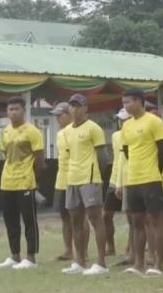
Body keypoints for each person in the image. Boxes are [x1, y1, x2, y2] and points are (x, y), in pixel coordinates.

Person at [119, 88, 163, 277]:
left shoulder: (154, 121)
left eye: (128, 102)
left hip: (151, 179)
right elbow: (127, 151)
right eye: (123, 103)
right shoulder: (126, 125)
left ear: (139, 101)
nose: (125, 106)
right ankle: (138, 263)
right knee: (136, 221)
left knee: (156, 220)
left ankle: (158, 264)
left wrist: (155, 170)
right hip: (133, 179)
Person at [59, 94, 110, 275]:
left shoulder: (93, 128)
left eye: (78, 106)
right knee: (75, 220)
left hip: (89, 179)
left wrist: (95, 175)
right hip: (72, 179)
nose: (74, 109)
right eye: (71, 106)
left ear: (85, 108)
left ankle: (101, 263)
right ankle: (80, 261)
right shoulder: (67, 131)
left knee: (95, 219)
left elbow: (103, 157)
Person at [0, 96, 45, 270]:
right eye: (10, 109)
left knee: (29, 221)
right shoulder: (5, 131)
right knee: (10, 221)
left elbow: (39, 158)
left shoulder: (32, 131)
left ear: (23, 110)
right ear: (7, 112)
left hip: (26, 182)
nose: (13, 112)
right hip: (7, 181)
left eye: (17, 109)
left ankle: (30, 258)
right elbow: (6, 155)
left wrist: (33, 177)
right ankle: (15, 256)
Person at [50, 102, 77, 262]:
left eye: (60, 115)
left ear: (69, 114)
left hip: (76, 179)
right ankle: (68, 250)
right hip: (61, 180)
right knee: (64, 217)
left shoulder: (77, 130)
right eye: (56, 116)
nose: (57, 119)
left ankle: (82, 251)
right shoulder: (60, 134)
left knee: (78, 217)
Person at [108, 108, 132, 265]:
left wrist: (122, 182)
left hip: (129, 178)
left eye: (124, 119)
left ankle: (131, 248)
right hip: (115, 177)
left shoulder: (133, 135)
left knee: (132, 216)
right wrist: (116, 181)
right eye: (120, 119)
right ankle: (110, 247)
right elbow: (118, 159)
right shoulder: (115, 136)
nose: (121, 122)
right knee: (106, 214)